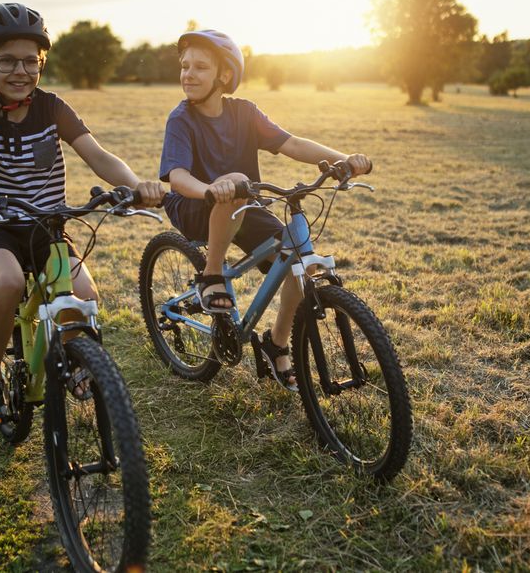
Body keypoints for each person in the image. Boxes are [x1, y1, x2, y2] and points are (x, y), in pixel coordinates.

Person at [0, 2, 165, 423]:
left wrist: (133, 184)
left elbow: (98, 156)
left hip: (47, 224)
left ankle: (75, 361)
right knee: (7, 281)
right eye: (7, 61)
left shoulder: (53, 107)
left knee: (86, 297)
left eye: (30, 62)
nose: (20, 71)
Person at [158, 30, 371, 391]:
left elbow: (293, 143)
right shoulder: (181, 119)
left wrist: (343, 160)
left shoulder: (245, 112)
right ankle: (211, 276)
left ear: (224, 76)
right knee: (237, 184)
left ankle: (275, 343)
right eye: (184, 67)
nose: (188, 74)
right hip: (195, 205)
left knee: (298, 264)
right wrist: (210, 189)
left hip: (244, 205)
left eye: (199, 67)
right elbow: (177, 176)